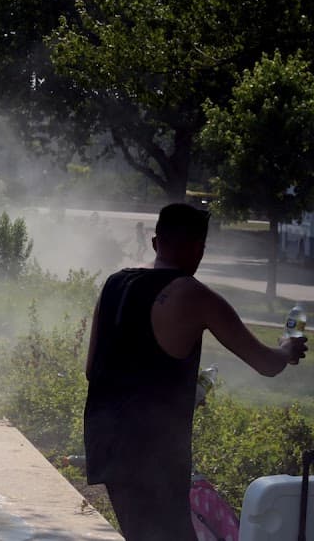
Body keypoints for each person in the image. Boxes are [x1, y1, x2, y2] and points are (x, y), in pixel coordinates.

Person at [83, 203, 307, 540]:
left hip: (108, 444)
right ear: (200, 248)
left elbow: (92, 370)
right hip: (155, 454)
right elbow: (266, 363)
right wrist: (287, 349)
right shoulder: (194, 295)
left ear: (156, 243)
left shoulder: (116, 284)